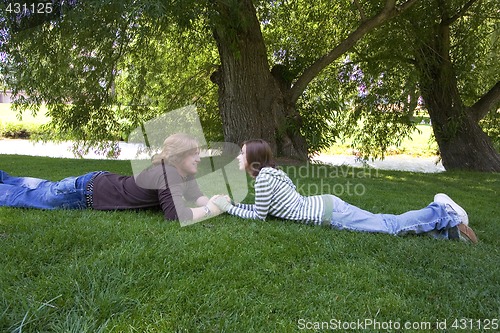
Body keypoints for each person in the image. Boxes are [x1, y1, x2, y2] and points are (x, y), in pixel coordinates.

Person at [212, 139, 478, 243]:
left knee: (389, 226)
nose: (238, 157)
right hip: (328, 204)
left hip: (330, 213)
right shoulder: (270, 175)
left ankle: (442, 211)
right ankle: (451, 232)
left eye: (242, 153)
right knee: (383, 222)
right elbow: (263, 210)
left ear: (252, 159)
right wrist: (233, 204)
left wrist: (228, 208)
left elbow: (259, 217)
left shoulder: (263, 180)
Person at [0, 133, 221, 222]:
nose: (199, 159)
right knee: (27, 196)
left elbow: (196, 196)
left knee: (45, 187)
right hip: (85, 192)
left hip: (94, 182)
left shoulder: (180, 174)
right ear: (179, 156)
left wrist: (217, 202)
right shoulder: (168, 173)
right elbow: (176, 215)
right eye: (194, 154)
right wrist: (212, 210)